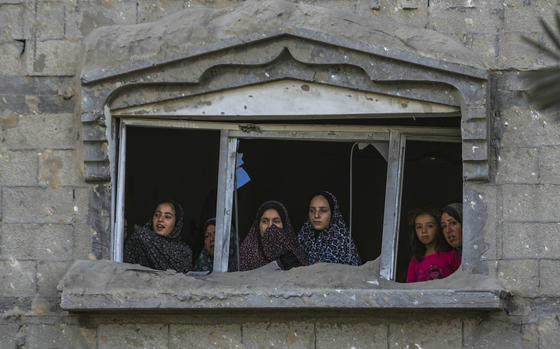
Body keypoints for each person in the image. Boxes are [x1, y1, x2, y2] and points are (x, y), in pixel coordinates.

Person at [124, 200, 192, 273]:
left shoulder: (184, 251)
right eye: (157, 215)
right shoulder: (140, 238)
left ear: (177, 222)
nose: (160, 219)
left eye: (167, 217)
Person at [239, 200, 308, 271]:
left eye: (276, 221)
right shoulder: (245, 256)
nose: (270, 226)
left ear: (284, 226)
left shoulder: (295, 255)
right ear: (258, 226)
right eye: (265, 221)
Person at [298, 191, 361, 265]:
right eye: (312, 210)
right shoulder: (304, 234)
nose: (316, 215)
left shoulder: (342, 241)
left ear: (333, 213)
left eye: (323, 210)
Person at [406, 209, 460, 283]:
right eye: (419, 227)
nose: (424, 231)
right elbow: (410, 289)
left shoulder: (452, 255)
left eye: (430, 226)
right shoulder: (415, 261)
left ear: (438, 228)